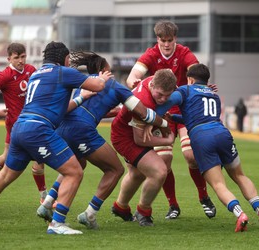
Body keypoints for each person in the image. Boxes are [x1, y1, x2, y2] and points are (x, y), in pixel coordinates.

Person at [0, 41, 111, 235]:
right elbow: (98, 85)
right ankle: (57, 223)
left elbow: (60, 110)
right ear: (65, 59)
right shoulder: (62, 72)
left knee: (6, 175)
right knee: (75, 171)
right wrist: (102, 76)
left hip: (19, 127)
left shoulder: (36, 74)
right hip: (38, 130)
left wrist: (81, 97)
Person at [37, 50, 171, 229]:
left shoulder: (83, 82)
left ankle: (47, 203)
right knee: (115, 169)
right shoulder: (115, 86)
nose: (112, 74)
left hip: (63, 126)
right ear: (103, 70)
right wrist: (163, 123)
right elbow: (143, 113)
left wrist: (116, 111)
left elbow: (95, 107)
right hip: (81, 130)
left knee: (77, 164)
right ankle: (89, 213)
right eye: (109, 70)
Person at [153, 64, 259, 232]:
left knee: (218, 184)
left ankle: (240, 214)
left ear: (190, 79)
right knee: (240, 175)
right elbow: (199, 116)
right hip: (223, 133)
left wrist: (152, 114)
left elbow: (164, 103)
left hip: (202, 138)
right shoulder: (214, 95)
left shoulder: (184, 90)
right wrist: (174, 117)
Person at [126, 19, 216, 219]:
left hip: (184, 111)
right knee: (164, 163)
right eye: (162, 40)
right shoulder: (151, 54)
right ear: (157, 39)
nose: (166, 44)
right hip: (161, 112)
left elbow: (195, 72)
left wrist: (203, 87)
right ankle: (173, 205)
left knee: (191, 156)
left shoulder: (184, 53)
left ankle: (203, 197)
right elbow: (133, 75)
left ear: (175, 38)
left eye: (169, 40)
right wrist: (135, 81)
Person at [0, 43, 47, 204]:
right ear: (9, 59)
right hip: (15, 124)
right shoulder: (5, 75)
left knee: (13, 157)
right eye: (17, 58)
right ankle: (43, 197)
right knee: (37, 157)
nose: (21, 61)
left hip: (32, 122)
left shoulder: (31, 70)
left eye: (23, 57)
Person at [111, 69, 177, 226]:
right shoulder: (144, 100)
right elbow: (140, 140)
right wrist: (167, 140)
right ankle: (143, 212)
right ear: (152, 84)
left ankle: (121, 207)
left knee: (137, 174)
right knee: (159, 171)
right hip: (125, 137)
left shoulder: (159, 80)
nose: (163, 99)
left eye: (167, 96)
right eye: (160, 95)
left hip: (127, 131)